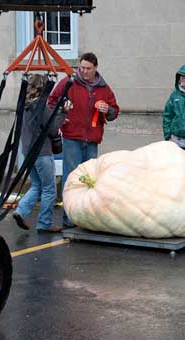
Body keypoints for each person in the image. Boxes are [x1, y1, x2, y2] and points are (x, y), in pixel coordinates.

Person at [48, 52, 119, 228]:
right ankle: (68, 218)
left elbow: (115, 112)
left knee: (90, 180)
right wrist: (61, 113)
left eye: (88, 68)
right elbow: (51, 101)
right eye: (82, 68)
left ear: (95, 69)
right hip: (72, 137)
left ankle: (85, 219)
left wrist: (107, 109)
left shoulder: (104, 88)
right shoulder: (68, 82)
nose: (84, 71)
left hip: (92, 139)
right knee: (71, 178)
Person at [13, 74, 71, 233]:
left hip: (27, 153)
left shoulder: (24, 106)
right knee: (49, 189)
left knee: (37, 185)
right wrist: (63, 113)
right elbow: (52, 129)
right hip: (42, 153)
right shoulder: (41, 106)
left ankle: (20, 211)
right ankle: (45, 223)